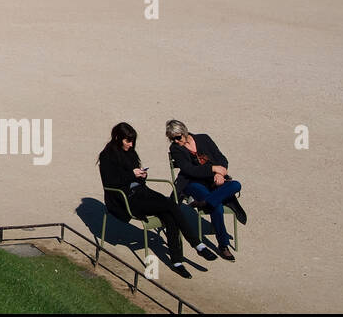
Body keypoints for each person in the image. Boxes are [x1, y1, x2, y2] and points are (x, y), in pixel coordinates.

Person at [97, 123, 216, 278]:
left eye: (132, 141)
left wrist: (141, 176)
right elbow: (110, 183)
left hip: (141, 192)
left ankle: (177, 261)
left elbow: (135, 178)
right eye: (128, 141)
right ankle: (197, 244)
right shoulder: (107, 155)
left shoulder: (130, 152)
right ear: (118, 137)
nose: (131, 144)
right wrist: (133, 175)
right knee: (170, 206)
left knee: (169, 213)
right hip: (125, 199)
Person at [166, 119, 247, 260]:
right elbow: (189, 170)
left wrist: (219, 173)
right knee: (217, 207)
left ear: (184, 132)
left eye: (178, 137)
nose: (176, 141)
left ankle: (204, 202)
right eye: (172, 139)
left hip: (214, 181)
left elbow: (221, 158)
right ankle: (223, 245)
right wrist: (212, 169)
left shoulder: (203, 138)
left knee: (236, 185)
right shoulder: (176, 149)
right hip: (193, 183)